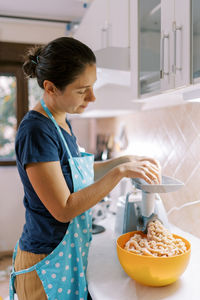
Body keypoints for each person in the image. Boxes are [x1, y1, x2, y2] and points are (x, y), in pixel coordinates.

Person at [9, 37, 161, 300]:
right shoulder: (36, 130)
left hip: (67, 254)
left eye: (93, 86)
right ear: (51, 87)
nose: (92, 97)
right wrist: (119, 173)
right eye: (82, 90)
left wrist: (124, 160)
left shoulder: (61, 121)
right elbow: (63, 209)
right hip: (46, 260)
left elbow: (79, 170)